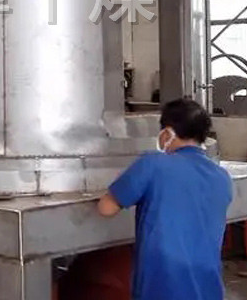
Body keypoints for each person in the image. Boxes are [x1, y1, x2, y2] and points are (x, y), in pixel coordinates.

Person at [98, 98, 233, 300]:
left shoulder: (153, 163)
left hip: (163, 288)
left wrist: (122, 182)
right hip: (208, 288)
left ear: (167, 133)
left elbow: (106, 208)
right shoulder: (222, 177)